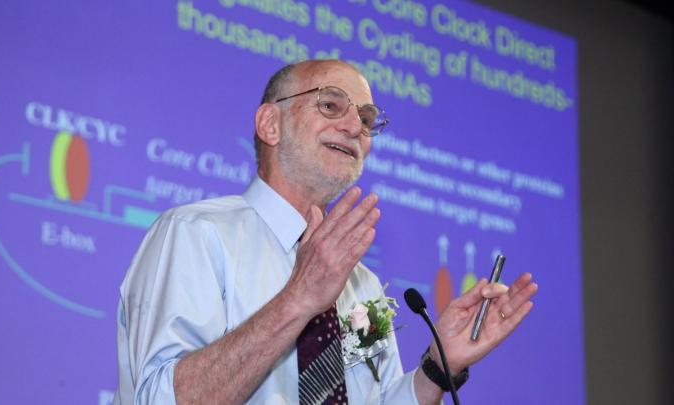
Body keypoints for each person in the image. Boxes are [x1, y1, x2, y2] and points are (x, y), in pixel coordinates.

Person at [114, 59, 538, 405]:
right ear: (271, 124)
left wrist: (436, 370)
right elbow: (159, 399)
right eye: (331, 105)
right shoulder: (196, 234)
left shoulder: (362, 284)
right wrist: (299, 298)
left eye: (366, 119)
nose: (356, 128)